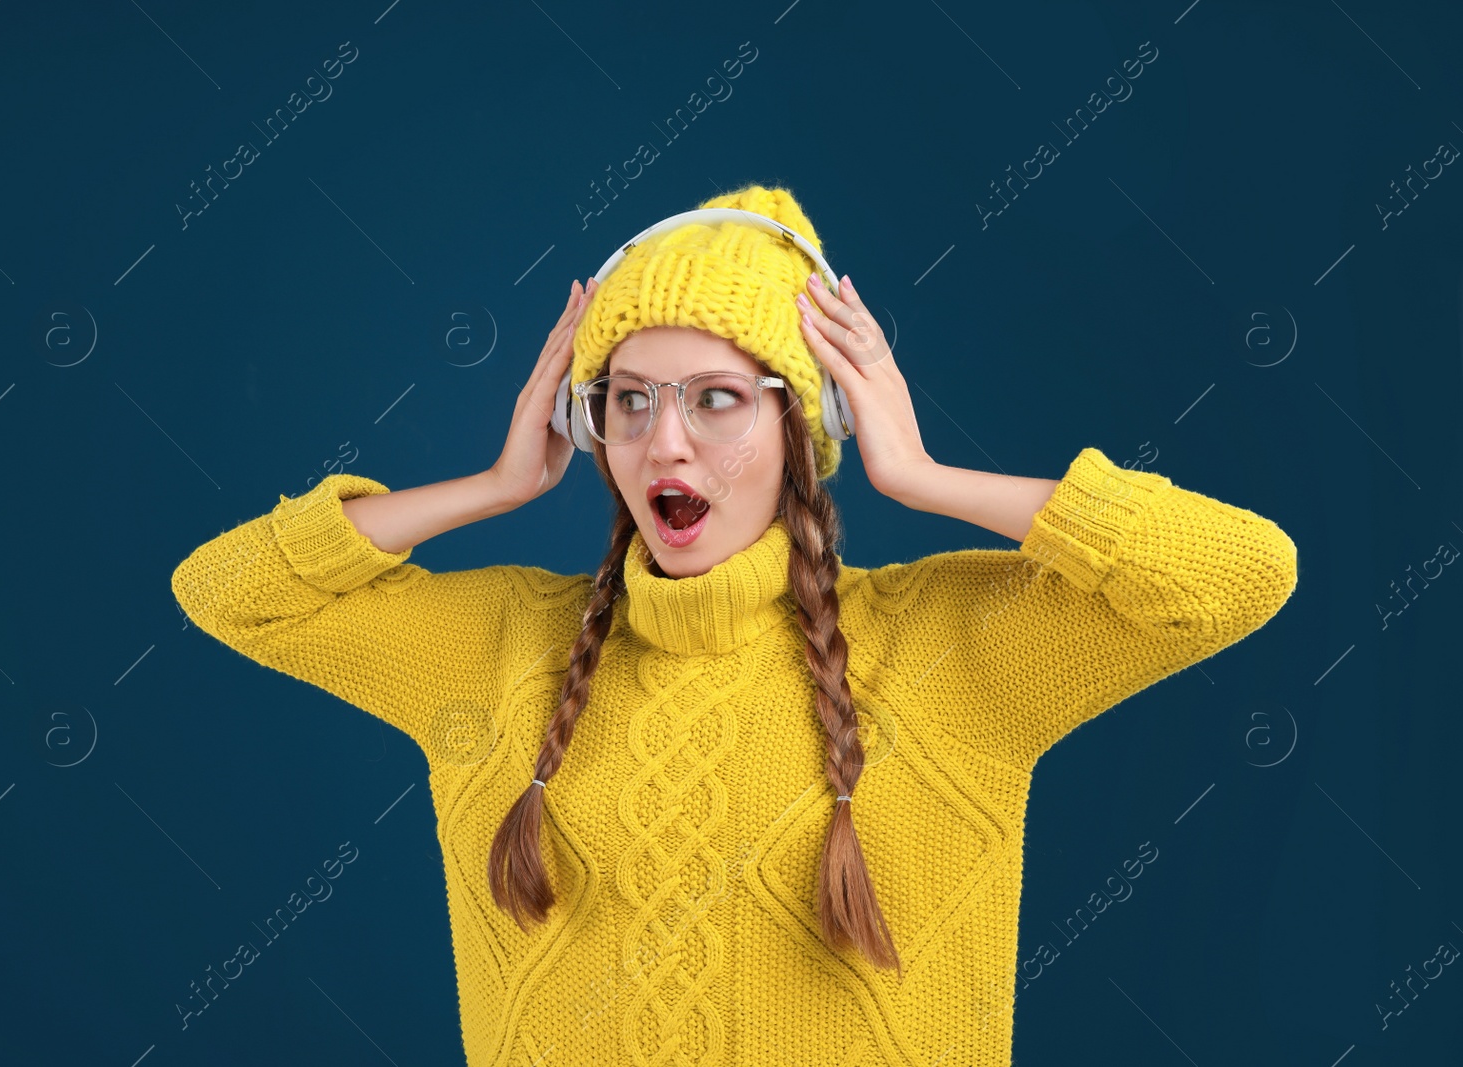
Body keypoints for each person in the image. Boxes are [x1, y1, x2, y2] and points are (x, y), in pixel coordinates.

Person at [170, 184, 1298, 1066]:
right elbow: (227, 591)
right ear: (586, 419)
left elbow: (1239, 573)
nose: (666, 444)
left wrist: (925, 474)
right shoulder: (503, 642)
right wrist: (493, 485)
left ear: (806, 426)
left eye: (715, 397)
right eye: (628, 397)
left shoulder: (947, 649)